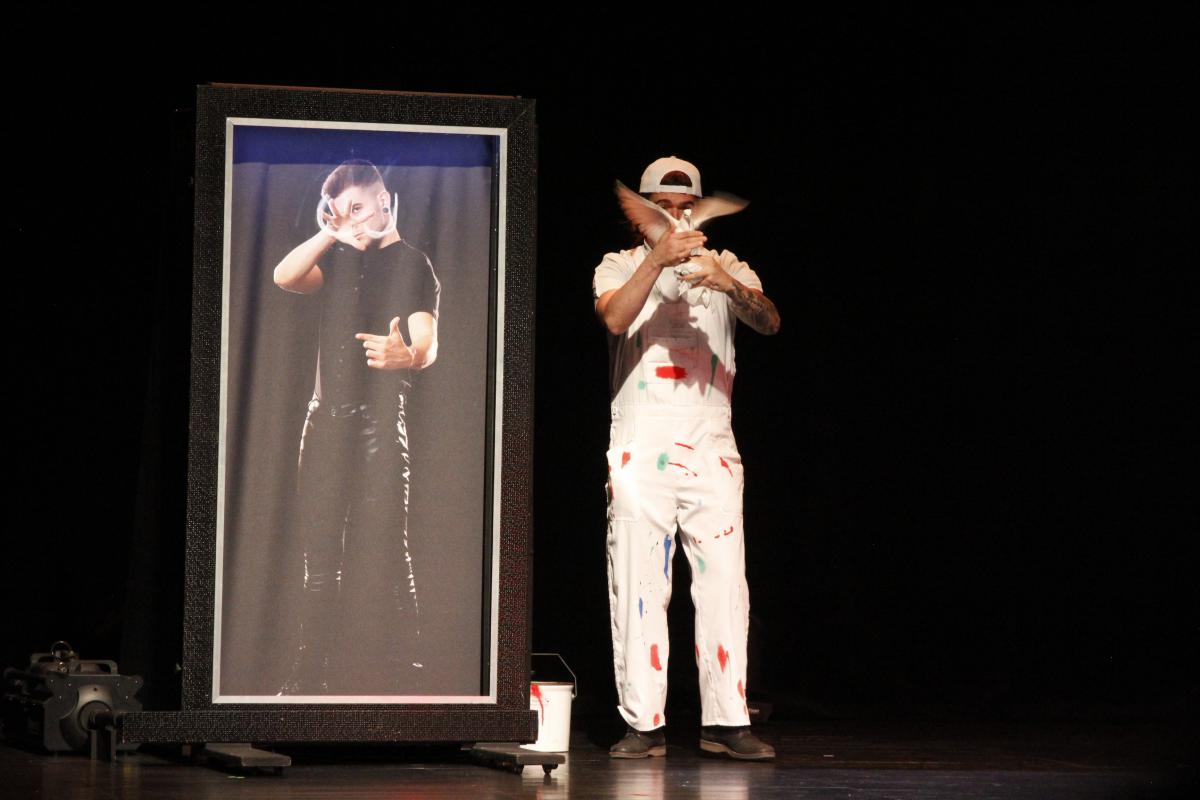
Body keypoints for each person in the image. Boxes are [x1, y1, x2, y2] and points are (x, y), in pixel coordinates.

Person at [594, 156, 780, 759]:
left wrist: (725, 282)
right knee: (638, 582)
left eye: (686, 208)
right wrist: (657, 261)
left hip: (710, 446)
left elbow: (769, 321)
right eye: (663, 208)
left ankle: (726, 721)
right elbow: (614, 317)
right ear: (641, 215)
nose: (676, 218)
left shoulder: (728, 265)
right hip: (641, 442)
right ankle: (643, 724)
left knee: (724, 583)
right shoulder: (621, 264)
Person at [273, 159, 440, 694]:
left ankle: (410, 678)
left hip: (377, 429)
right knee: (319, 561)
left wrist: (407, 355)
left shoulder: (413, 264)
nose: (354, 218)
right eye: (342, 211)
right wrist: (330, 234)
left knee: (389, 553)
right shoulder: (338, 258)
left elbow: (427, 343)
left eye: (360, 206)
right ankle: (307, 679)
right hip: (323, 423)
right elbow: (284, 276)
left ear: (385, 200)